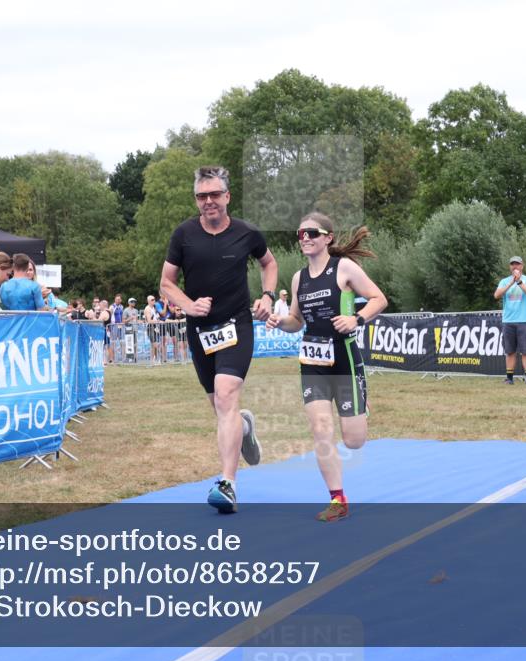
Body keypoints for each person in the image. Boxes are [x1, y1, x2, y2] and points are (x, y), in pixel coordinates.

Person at [160, 165, 278, 514]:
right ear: (196, 200)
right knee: (221, 408)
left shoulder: (247, 233)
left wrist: (268, 296)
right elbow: (166, 282)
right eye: (201, 196)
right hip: (200, 331)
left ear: (227, 196)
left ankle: (227, 485)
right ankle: (244, 426)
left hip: (237, 325)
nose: (208, 201)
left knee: (226, 394)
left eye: (214, 194)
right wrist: (188, 305)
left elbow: (268, 264)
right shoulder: (183, 235)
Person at [267, 212, 387, 522]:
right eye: (300, 233)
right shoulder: (298, 279)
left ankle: (361, 404)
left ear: (327, 238)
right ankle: (338, 500)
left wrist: (356, 319)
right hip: (313, 363)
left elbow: (379, 299)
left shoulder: (344, 268)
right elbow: (296, 321)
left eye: (312, 233)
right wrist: (280, 322)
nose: (305, 238)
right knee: (321, 428)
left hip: (344, 360)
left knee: (354, 440)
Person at [494, 256, 526, 384]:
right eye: (512, 264)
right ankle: (510, 378)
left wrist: (519, 282)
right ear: (510, 267)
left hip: (523, 320)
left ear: (522, 266)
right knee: (510, 351)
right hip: (508, 321)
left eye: (517, 264)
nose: (515, 267)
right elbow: (496, 295)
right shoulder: (504, 281)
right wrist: (511, 283)